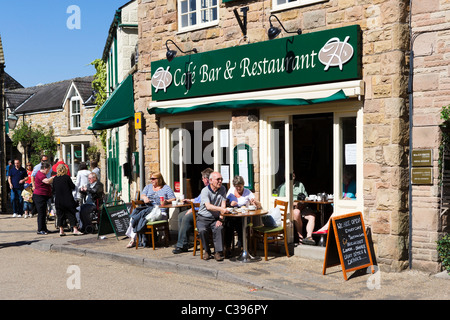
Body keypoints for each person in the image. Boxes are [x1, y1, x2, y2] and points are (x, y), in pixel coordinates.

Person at [126, 172, 175, 248]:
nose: (151, 180)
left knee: (143, 218)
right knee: (135, 217)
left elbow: (173, 198)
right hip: (148, 209)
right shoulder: (148, 187)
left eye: (153, 179)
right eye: (151, 179)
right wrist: (145, 198)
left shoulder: (166, 188)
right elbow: (142, 195)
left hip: (160, 211)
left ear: (159, 179)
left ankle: (160, 238)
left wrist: (166, 201)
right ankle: (133, 239)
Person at [172, 168, 213, 254]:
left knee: (186, 218)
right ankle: (184, 242)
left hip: (202, 212)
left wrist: (192, 209)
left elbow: (203, 204)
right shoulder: (204, 189)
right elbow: (197, 200)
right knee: (180, 216)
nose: (202, 180)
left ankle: (181, 246)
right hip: (196, 209)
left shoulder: (209, 189)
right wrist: (189, 200)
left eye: (202, 178)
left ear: (206, 179)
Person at [224, 175, 261, 257]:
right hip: (232, 215)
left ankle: (242, 248)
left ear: (243, 185)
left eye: (240, 187)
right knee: (228, 225)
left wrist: (254, 202)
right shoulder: (231, 191)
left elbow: (258, 205)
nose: (238, 189)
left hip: (243, 216)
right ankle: (228, 248)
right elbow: (225, 203)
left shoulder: (247, 192)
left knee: (242, 226)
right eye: (236, 187)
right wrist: (229, 203)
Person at [314, 167, 357, 234]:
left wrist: (351, 199)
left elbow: (360, 199)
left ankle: (325, 228)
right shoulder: (340, 185)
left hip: (351, 209)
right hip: (340, 209)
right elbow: (335, 199)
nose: (340, 178)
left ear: (347, 176)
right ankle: (326, 228)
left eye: (342, 176)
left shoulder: (355, 185)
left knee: (337, 211)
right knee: (337, 211)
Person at [196, 171, 227, 261]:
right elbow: (208, 206)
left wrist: (220, 219)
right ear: (210, 180)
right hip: (203, 218)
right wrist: (221, 209)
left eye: (221, 179)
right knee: (202, 230)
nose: (220, 181)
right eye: (218, 179)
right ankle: (207, 251)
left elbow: (223, 205)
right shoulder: (205, 191)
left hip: (215, 218)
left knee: (219, 228)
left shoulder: (223, 189)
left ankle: (218, 252)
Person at [53, 164, 82, 236]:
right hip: (67, 199)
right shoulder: (67, 177)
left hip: (58, 200)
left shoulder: (55, 179)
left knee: (60, 215)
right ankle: (75, 229)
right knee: (71, 214)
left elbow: (53, 190)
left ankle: (61, 230)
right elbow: (72, 186)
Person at [33, 162, 55, 235]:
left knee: (44, 213)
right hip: (39, 196)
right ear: (45, 168)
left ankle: (44, 229)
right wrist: (54, 177)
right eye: (48, 169)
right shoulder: (40, 174)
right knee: (41, 213)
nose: (49, 171)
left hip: (43, 196)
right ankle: (40, 229)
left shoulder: (43, 174)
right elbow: (47, 181)